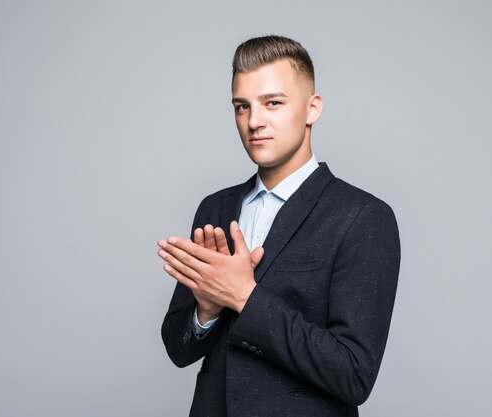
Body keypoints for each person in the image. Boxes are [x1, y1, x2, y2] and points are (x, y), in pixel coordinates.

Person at [157, 35, 400, 417]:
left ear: (312, 108)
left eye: (273, 103)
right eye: (242, 106)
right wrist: (205, 311)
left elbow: (353, 373)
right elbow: (178, 348)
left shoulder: (363, 217)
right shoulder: (215, 208)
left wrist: (244, 298)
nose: (254, 121)